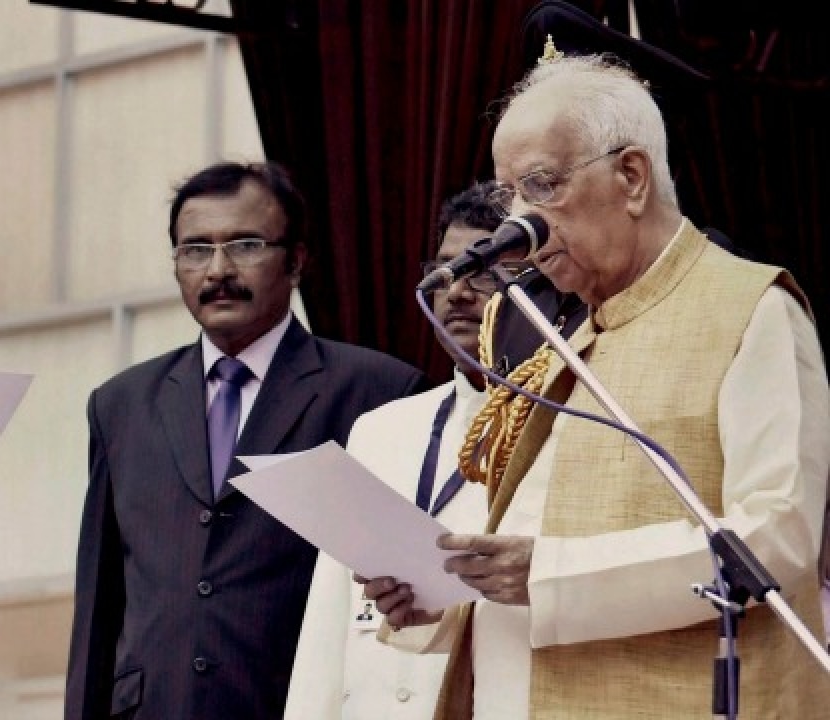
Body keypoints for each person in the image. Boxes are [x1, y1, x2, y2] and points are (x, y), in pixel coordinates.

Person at [362, 52, 830, 718]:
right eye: (510, 196)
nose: (517, 225)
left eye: (541, 186)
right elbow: (521, 544)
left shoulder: (751, 311)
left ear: (632, 177)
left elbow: (775, 541)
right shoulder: (558, 335)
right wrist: (434, 592)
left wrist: (547, 574)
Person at [66, 161, 429, 719]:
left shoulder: (376, 389)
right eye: (194, 249)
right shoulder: (122, 404)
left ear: (297, 260)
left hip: (300, 702)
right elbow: (99, 602)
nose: (218, 269)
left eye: (246, 244)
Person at [284, 181, 511, 719]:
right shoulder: (380, 427)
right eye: (445, 270)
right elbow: (328, 620)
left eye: (480, 270)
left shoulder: (567, 419)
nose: (455, 291)